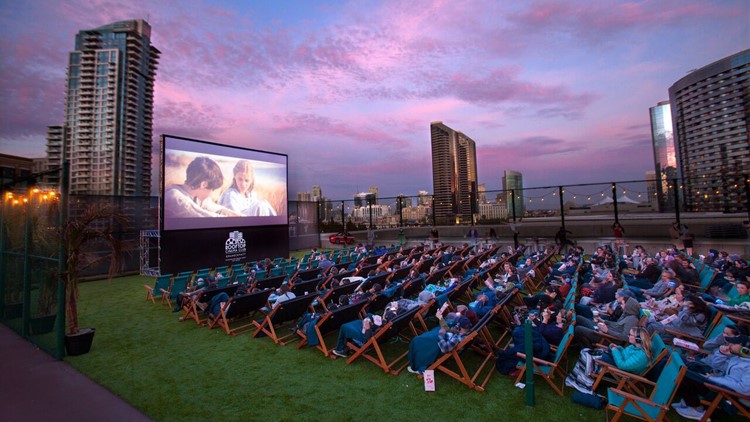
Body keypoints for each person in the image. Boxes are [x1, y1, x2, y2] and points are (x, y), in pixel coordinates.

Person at [566, 327, 652, 394]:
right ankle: (576, 378)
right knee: (586, 351)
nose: (628, 336)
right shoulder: (634, 347)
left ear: (638, 339)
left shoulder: (641, 356)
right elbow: (625, 354)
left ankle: (584, 382)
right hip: (616, 362)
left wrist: (615, 351)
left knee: (588, 355)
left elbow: (623, 365)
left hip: (621, 373)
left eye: (630, 335)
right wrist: (617, 348)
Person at [164, 156, 240, 218]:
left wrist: (235, 215)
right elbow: (207, 217)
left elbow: (214, 207)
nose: (211, 195)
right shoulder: (175, 197)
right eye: (212, 190)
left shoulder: (195, 197)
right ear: (203, 184)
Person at [406, 305, 472, 374]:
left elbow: (445, 348)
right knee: (422, 339)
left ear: (461, 327)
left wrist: (441, 335)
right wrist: (440, 318)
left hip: (440, 345)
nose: (457, 324)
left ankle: (418, 366)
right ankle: (416, 355)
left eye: (458, 324)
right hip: (443, 337)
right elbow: (449, 328)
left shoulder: (456, 339)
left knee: (418, 341)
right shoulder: (465, 331)